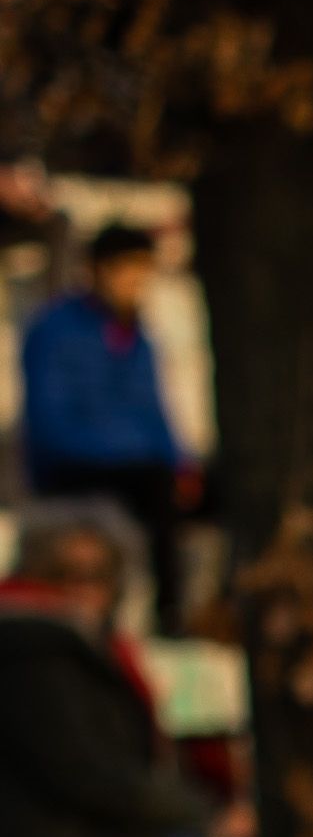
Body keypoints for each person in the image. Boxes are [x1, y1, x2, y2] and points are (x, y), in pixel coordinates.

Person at [0, 508, 259, 837]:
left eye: (100, 574)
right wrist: (206, 818)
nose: (86, 589)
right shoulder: (34, 655)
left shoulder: (77, 647)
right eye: (65, 574)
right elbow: (93, 779)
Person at [17, 221, 197, 627]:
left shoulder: (139, 339)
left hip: (133, 467)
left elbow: (156, 413)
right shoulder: (54, 330)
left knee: (200, 490)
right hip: (71, 466)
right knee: (155, 486)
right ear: (99, 271)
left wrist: (183, 465)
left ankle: (204, 613)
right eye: (129, 270)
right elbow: (50, 423)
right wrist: (139, 454)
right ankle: (169, 616)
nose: (137, 282)